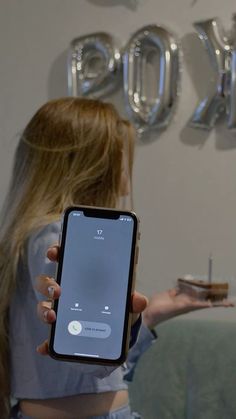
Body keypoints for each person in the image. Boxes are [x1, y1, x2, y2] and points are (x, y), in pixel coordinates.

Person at [0, 98, 232, 419]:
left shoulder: (33, 236)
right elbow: (90, 364)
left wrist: (147, 316)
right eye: (123, 155)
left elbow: (95, 370)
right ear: (95, 163)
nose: (129, 167)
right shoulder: (56, 236)